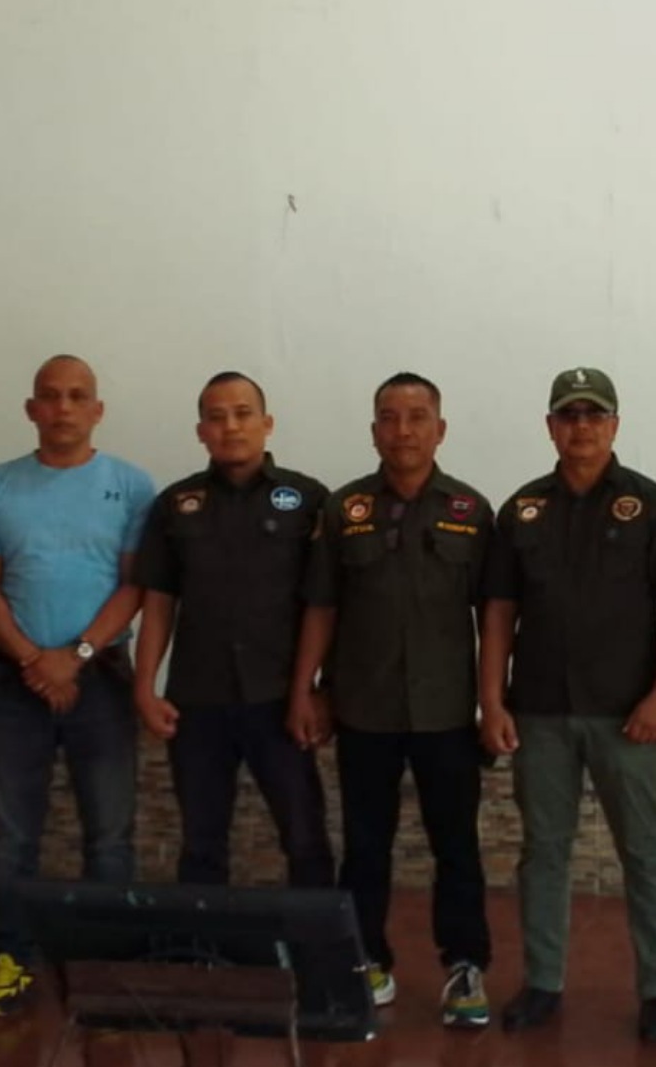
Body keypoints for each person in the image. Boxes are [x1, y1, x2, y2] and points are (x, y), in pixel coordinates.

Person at [479, 366, 656, 1044]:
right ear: (551, 426)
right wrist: (491, 700)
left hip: (628, 714)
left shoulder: (651, 505)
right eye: (569, 415)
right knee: (543, 852)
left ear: (615, 424)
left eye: (594, 415)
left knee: (646, 854)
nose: (582, 427)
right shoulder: (522, 510)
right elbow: (498, 613)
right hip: (540, 710)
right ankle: (543, 982)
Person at [289, 372, 493, 1028]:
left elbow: (495, 615)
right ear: (374, 429)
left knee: (455, 846)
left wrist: (493, 702)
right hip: (364, 708)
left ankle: (465, 967)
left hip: (447, 712)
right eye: (389, 417)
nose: (403, 430)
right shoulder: (343, 510)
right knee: (365, 846)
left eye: (417, 416)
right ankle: (365, 962)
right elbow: (321, 606)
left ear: (440, 428)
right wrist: (306, 689)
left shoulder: (470, 511)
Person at [0, 355, 155, 1017]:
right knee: (12, 837)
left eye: (78, 396)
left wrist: (74, 656)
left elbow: (134, 584)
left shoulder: (131, 485)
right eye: (51, 396)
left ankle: (104, 967)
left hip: (100, 678)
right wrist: (33, 660)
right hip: (15, 682)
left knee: (110, 836)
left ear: (97, 410)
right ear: (31, 410)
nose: (64, 408)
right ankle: (12, 960)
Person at [133, 371, 333, 889]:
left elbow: (326, 605)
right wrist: (144, 687)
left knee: (305, 838)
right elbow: (159, 601)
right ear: (201, 431)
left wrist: (317, 690)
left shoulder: (309, 499)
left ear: (267, 423)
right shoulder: (176, 504)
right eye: (217, 417)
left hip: (281, 697)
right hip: (197, 700)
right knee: (201, 843)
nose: (231, 427)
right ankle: (202, 938)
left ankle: (313, 939)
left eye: (243, 414)